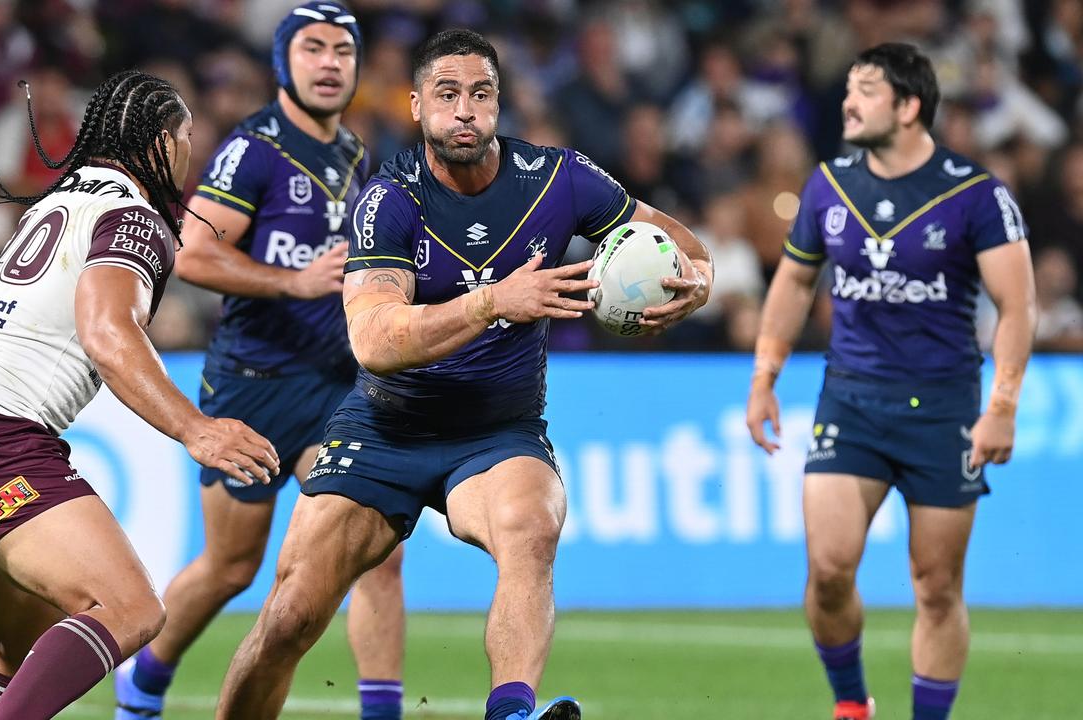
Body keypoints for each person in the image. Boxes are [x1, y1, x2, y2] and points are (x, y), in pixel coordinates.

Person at [216, 29, 713, 720]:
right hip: (387, 428)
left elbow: (683, 247)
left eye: (480, 94)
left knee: (531, 531)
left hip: (496, 434)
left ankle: (509, 713)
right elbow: (372, 341)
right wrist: (490, 301)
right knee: (290, 618)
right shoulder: (389, 201)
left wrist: (698, 286)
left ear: (498, 103)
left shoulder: (561, 179)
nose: (465, 110)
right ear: (417, 106)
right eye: (447, 95)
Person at [0, 70, 280, 720]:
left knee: (19, 640)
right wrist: (196, 428)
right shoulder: (135, 219)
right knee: (130, 608)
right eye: (187, 136)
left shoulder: (61, 200)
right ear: (157, 142)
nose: (192, 153)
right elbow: (108, 331)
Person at [113, 5, 408, 720]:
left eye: (344, 50)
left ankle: (383, 712)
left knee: (375, 552)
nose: (331, 62)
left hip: (337, 387)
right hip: (253, 383)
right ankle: (144, 680)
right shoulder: (255, 150)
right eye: (314, 49)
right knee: (232, 567)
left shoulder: (354, 154)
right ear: (285, 63)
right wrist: (293, 281)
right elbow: (193, 251)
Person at [746, 44, 1035, 720]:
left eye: (867, 90)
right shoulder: (828, 185)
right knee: (828, 571)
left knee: (936, 587)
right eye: (849, 88)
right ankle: (853, 704)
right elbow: (794, 279)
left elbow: (1018, 307)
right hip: (851, 399)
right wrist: (765, 375)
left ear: (908, 107)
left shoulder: (975, 194)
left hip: (944, 411)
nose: (848, 101)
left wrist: (1004, 406)